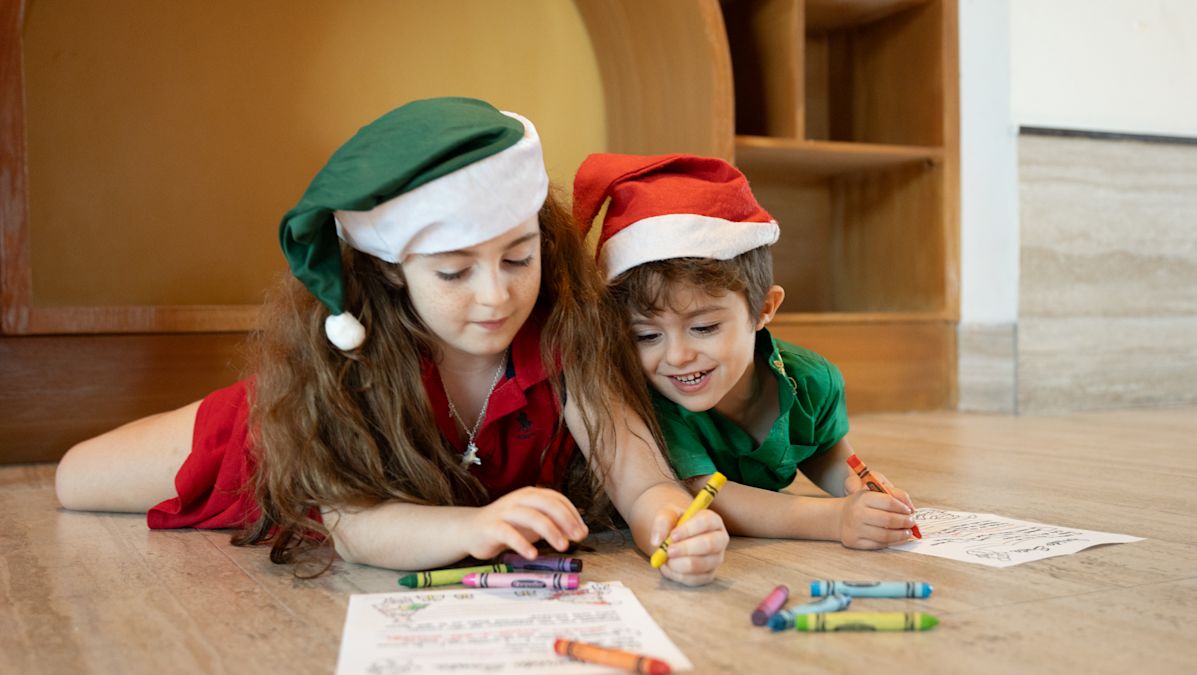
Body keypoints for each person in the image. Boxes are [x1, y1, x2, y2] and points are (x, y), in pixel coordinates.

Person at [55, 98, 728, 585]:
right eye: (454, 272)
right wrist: (474, 526)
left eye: (519, 258)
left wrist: (672, 521)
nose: (496, 295)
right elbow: (355, 526)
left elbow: (643, 481)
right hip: (286, 444)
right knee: (75, 478)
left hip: (424, 507)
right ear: (391, 270)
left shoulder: (565, 335)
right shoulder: (351, 358)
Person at [573, 152, 917, 549]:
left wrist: (855, 485)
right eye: (646, 336)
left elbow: (822, 449)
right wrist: (836, 519)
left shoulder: (812, 380)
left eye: (703, 328)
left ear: (764, 308)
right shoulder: (651, 400)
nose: (677, 356)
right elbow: (705, 497)